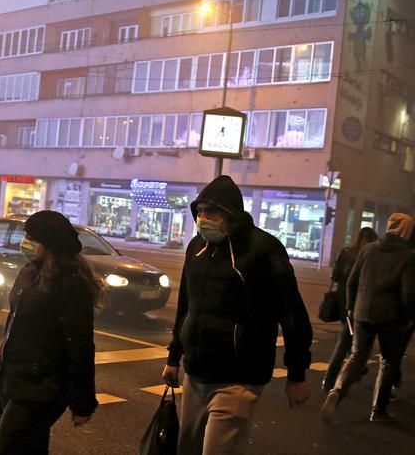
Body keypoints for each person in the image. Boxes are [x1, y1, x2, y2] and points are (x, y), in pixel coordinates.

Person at [162, 175, 313, 455]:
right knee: (188, 449)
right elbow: (186, 306)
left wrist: (297, 374)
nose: (204, 217)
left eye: (212, 211)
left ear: (231, 213)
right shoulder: (197, 248)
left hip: (239, 377)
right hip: (195, 374)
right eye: (200, 211)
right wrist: (174, 358)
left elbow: (291, 312)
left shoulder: (263, 249)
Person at [0, 210, 101, 454]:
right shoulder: (30, 272)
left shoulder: (71, 285)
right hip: (14, 378)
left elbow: (80, 345)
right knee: (30, 447)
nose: (25, 242)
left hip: (43, 387)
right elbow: (14, 324)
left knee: (7, 447)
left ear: (49, 244)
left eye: (31, 237)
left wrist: (83, 402)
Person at [322, 213, 415, 422]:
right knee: (388, 361)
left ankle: (337, 390)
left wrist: (350, 307)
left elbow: (351, 281)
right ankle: (378, 410)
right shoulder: (408, 255)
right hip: (390, 315)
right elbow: (409, 293)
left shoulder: (368, 248)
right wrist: (409, 316)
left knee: (356, 355)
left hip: (362, 311)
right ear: (407, 231)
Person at [322, 227, 378, 391]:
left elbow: (336, 277)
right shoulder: (371, 256)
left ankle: (355, 368)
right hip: (359, 303)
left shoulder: (346, 252)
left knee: (350, 336)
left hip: (342, 301)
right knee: (346, 340)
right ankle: (332, 377)